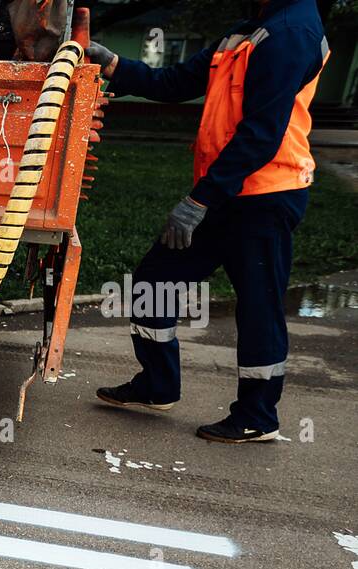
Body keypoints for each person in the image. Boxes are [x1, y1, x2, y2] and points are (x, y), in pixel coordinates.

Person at [88, 0, 329, 443]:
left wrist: (198, 202)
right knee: (154, 280)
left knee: (258, 306)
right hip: (225, 191)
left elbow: (261, 133)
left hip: (264, 196)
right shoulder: (249, 29)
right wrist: (114, 65)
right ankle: (158, 384)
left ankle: (257, 416)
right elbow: (176, 81)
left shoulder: (292, 32)